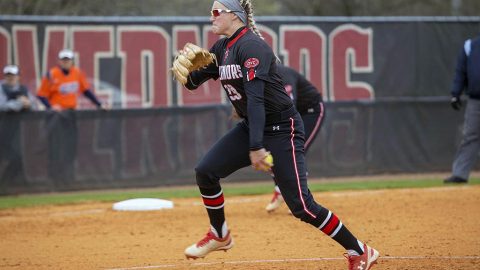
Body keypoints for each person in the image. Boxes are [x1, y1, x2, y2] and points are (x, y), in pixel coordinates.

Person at [176, 1, 379, 269]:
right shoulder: (222, 48)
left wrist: (257, 146)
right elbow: (193, 82)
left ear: (234, 16)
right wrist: (183, 72)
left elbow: (257, 100)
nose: (211, 17)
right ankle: (219, 234)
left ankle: (360, 250)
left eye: (216, 12)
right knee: (206, 171)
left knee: (302, 207)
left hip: (283, 129)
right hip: (253, 124)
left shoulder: (252, 47)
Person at [36, 49, 107, 188]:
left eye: (68, 60)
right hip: (55, 117)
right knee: (55, 148)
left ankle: (68, 180)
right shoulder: (51, 74)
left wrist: (99, 104)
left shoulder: (77, 73)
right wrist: (50, 106)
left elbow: (86, 91)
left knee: (70, 148)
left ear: (72, 61)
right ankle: (54, 181)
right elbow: (41, 95)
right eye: (63, 60)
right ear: (59, 61)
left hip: (70, 115)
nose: (65, 62)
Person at [264, 64, 325, 212]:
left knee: (296, 151)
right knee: (276, 151)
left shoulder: (282, 74)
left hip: (312, 111)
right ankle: (280, 191)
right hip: (294, 115)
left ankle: (301, 199)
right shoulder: (259, 77)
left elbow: (288, 106)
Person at [444, 35, 480, 184]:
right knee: (470, 136)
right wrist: (455, 94)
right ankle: (460, 174)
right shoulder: (470, 46)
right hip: (475, 100)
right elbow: (461, 72)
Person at [0, 65, 36, 191]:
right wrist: (21, 103)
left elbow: (34, 105)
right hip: (2, 129)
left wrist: (28, 103)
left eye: (13, 75)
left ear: (18, 77)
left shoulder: (23, 89)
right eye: (8, 75)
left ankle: (5, 185)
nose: (10, 78)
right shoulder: (1, 88)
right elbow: (2, 106)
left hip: (18, 132)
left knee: (16, 158)